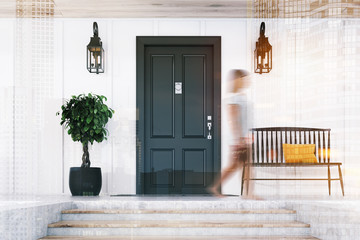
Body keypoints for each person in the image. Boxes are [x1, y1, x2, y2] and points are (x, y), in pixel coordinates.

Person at [208, 69, 256, 198]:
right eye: (244, 79)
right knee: (244, 166)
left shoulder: (241, 97)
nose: (247, 81)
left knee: (237, 165)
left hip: (245, 137)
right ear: (238, 80)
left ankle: (215, 187)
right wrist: (239, 138)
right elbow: (233, 120)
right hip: (240, 138)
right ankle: (249, 194)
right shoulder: (234, 99)